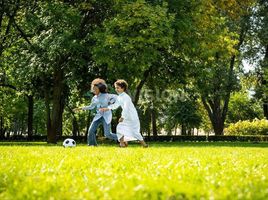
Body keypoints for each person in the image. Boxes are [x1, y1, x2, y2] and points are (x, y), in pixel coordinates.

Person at [100, 79, 148, 148]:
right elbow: (115, 105)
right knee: (119, 128)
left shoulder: (126, 97)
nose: (116, 89)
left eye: (118, 88)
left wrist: (122, 117)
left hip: (131, 116)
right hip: (126, 116)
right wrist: (107, 108)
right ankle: (122, 144)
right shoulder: (119, 97)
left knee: (135, 132)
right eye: (115, 88)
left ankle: (144, 145)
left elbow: (126, 108)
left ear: (123, 88)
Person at [74, 78, 118, 146]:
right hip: (98, 116)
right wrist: (81, 108)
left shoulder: (107, 95)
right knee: (91, 131)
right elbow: (91, 107)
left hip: (106, 116)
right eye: (93, 89)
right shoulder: (94, 98)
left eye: (95, 89)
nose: (94, 90)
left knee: (108, 134)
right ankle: (92, 145)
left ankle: (122, 138)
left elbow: (117, 98)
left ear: (99, 89)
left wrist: (111, 102)